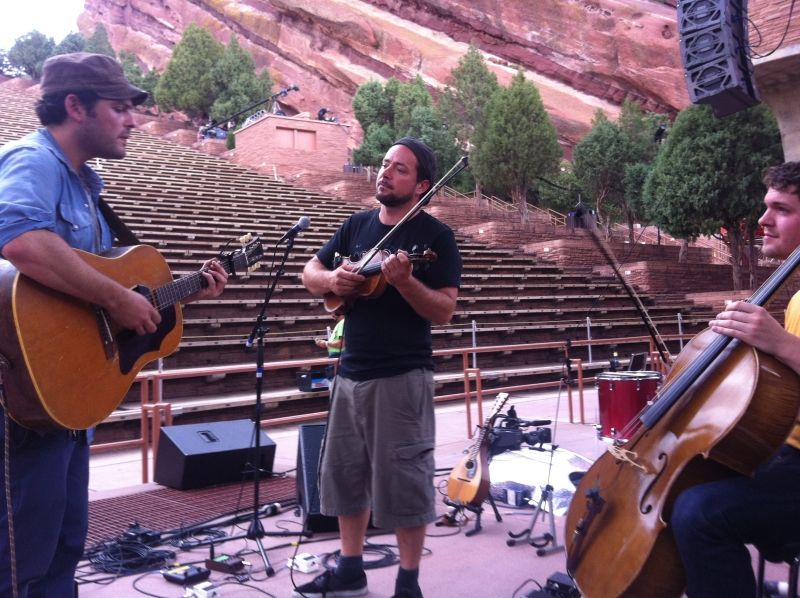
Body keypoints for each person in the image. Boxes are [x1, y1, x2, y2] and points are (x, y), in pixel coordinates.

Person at [0, 52, 228, 597]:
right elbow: (20, 240)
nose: (132, 120)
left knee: (62, 549)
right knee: (19, 562)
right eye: (119, 107)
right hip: (26, 398)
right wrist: (116, 298)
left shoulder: (88, 186)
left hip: (70, 398)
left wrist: (177, 294)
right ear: (75, 106)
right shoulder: (33, 161)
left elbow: (98, 298)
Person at [297, 137, 462, 598]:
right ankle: (350, 571)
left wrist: (406, 283)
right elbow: (309, 273)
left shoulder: (435, 237)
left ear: (422, 185)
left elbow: (444, 310)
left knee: (405, 481)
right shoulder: (356, 225)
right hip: (350, 373)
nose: (385, 172)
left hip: (402, 377)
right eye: (385, 164)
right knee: (345, 476)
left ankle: (408, 585)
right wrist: (332, 279)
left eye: (400, 168)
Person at [671, 161, 800, 597]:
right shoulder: (798, 299)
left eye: (781, 209)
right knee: (685, 482)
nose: (763, 220)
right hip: (785, 452)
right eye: (767, 207)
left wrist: (779, 343)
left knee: (699, 513)